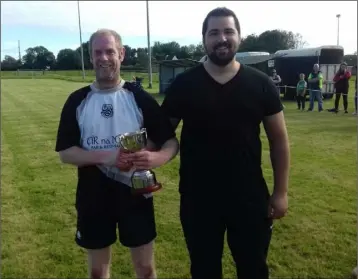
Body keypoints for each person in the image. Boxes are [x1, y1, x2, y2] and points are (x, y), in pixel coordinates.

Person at [161, 7, 290, 279]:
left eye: (228, 31)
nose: (222, 38)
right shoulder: (184, 84)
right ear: (204, 39)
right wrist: (137, 154)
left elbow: (278, 141)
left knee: (253, 268)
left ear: (239, 37)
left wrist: (280, 192)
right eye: (214, 32)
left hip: (249, 197)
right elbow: (162, 133)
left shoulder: (261, 84)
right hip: (198, 198)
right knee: (204, 269)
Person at [55, 28, 179, 279]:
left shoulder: (139, 97)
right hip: (93, 195)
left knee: (145, 269)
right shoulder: (77, 101)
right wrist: (107, 156)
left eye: (109, 51)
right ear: (91, 57)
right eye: (97, 52)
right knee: (98, 272)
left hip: (135, 192)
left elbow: (170, 142)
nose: (103, 58)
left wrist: (157, 158)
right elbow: (66, 153)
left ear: (121, 54)